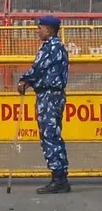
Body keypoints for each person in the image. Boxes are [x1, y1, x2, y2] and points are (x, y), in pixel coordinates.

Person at [18, 15, 70, 194]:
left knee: (50, 135)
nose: (37, 30)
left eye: (40, 27)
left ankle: (59, 178)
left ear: (48, 29)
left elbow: (38, 68)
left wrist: (24, 80)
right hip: (49, 95)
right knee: (51, 134)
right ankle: (59, 176)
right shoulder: (53, 46)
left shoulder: (52, 47)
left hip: (50, 95)